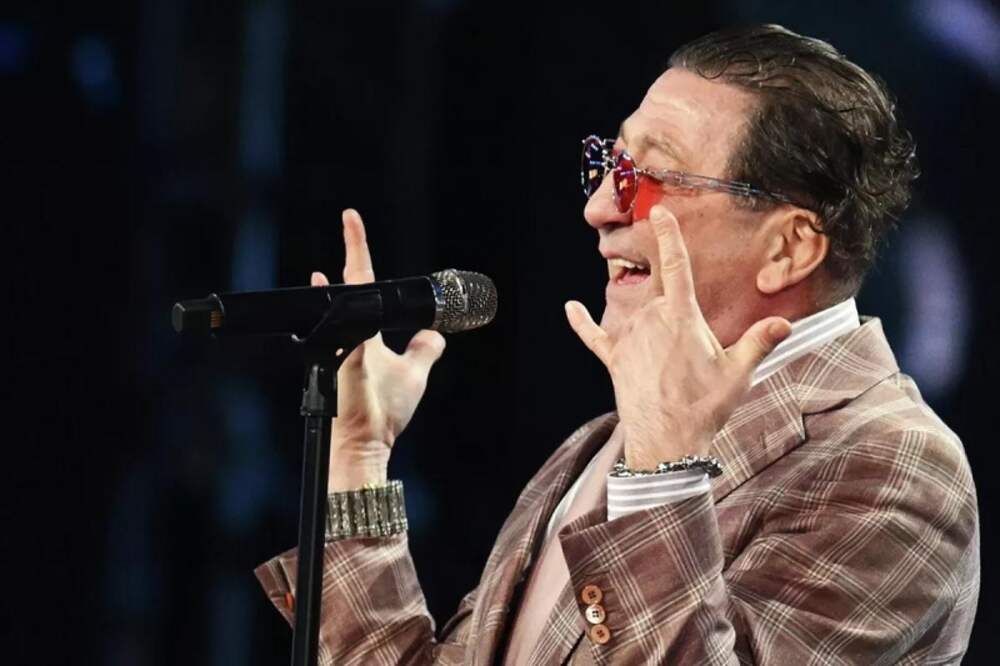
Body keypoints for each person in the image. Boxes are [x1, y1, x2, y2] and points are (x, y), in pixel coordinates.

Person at [256, 24, 979, 664]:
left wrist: (662, 471)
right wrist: (358, 458)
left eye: (651, 176)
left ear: (787, 248)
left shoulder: (895, 468)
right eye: (611, 165)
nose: (600, 206)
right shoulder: (600, 446)